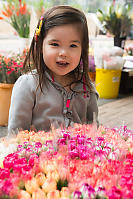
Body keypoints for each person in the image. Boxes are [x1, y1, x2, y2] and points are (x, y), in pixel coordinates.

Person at [8, 5, 99, 133]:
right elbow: (16, 134)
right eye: (55, 44)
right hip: (38, 152)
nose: (63, 53)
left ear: (82, 50)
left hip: (78, 153)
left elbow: (94, 129)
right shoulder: (28, 85)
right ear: (40, 45)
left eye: (73, 45)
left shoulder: (86, 88)